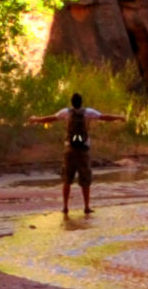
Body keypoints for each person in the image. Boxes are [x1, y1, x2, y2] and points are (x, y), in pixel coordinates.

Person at [32, 89, 130, 218]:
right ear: (81, 102)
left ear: (71, 103)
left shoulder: (65, 113)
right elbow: (105, 117)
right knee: (85, 180)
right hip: (83, 150)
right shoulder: (88, 113)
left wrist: (36, 119)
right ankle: (86, 207)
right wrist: (119, 117)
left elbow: (50, 119)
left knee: (67, 179)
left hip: (69, 150)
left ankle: (65, 207)